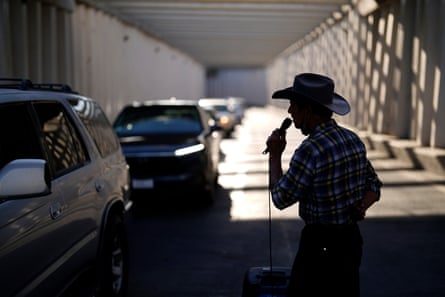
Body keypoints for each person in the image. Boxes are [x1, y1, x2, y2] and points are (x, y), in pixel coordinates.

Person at [265, 73, 383, 297]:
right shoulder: (352, 139)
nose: (290, 112)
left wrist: (274, 156)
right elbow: (374, 185)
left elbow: (280, 198)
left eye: (293, 106)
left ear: (308, 110)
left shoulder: (310, 150)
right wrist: (362, 206)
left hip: (319, 246)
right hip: (350, 240)